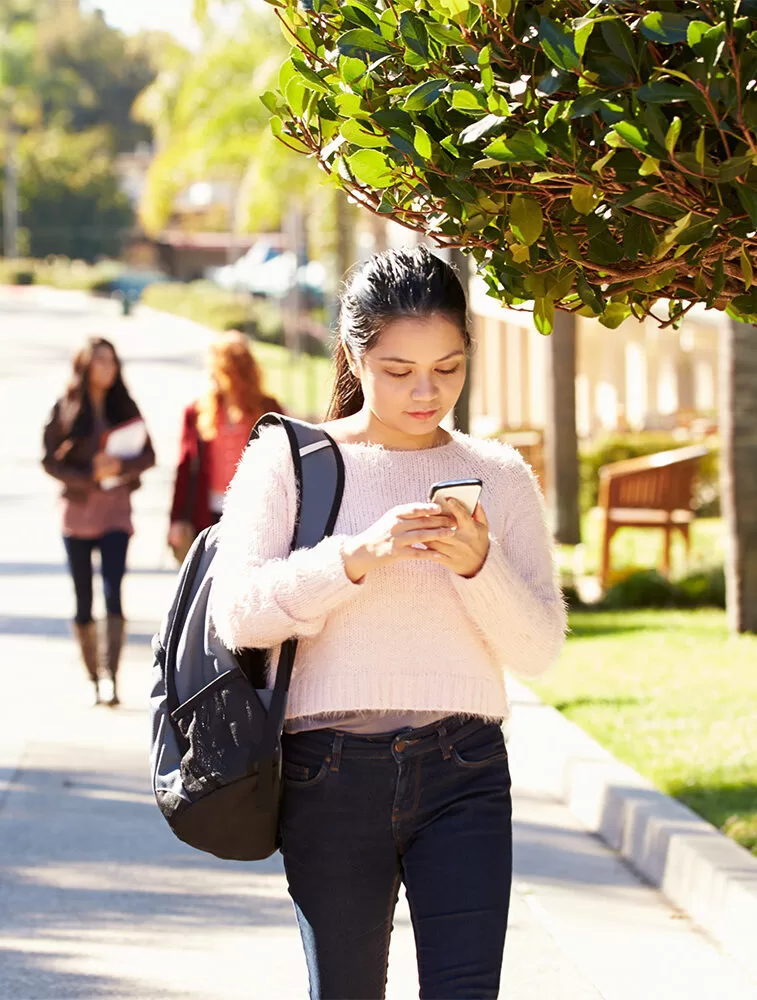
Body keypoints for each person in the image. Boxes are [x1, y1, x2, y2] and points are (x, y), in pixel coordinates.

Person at [210, 246, 566, 999]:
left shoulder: (499, 475)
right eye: (399, 370)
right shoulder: (291, 460)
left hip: (465, 766)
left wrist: (478, 566)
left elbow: (538, 651)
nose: (426, 391)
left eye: (448, 367)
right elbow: (237, 614)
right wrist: (356, 558)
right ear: (352, 356)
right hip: (327, 771)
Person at [42, 336, 155, 707]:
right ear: (86, 366)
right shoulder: (67, 407)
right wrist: (88, 473)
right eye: (101, 361)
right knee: (83, 600)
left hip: (116, 515)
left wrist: (120, 466)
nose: (108, 368)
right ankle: (92, 675)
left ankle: (111, 677)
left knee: (113, 593)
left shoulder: (125, 406)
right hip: (77, 516)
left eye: (113, 361)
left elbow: (149, 454)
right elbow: (49, 460)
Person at [167, 330, 283, 561]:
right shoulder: (197, 411)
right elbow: (185, 466)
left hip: (254, 512)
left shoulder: (269, 409)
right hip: (206, 513)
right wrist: (177, 519)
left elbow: (285, 463)